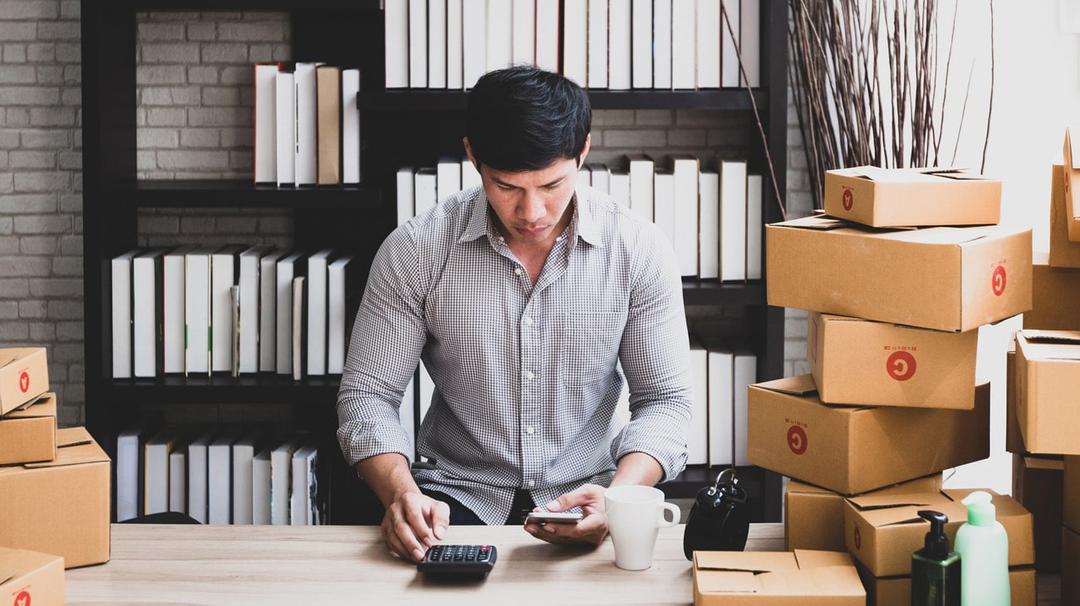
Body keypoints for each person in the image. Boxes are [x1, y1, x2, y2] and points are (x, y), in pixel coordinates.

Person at [337, 65, 692, 563]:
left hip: (588, 498)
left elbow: (667, 401)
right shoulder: (416, 251)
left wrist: (621, 498)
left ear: (583, 151)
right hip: (453, 500)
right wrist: (401, 494)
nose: (532, 212)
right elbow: (368, 395)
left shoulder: (638, 250)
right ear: (473, 157)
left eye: (551, 185)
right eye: (507, 186)